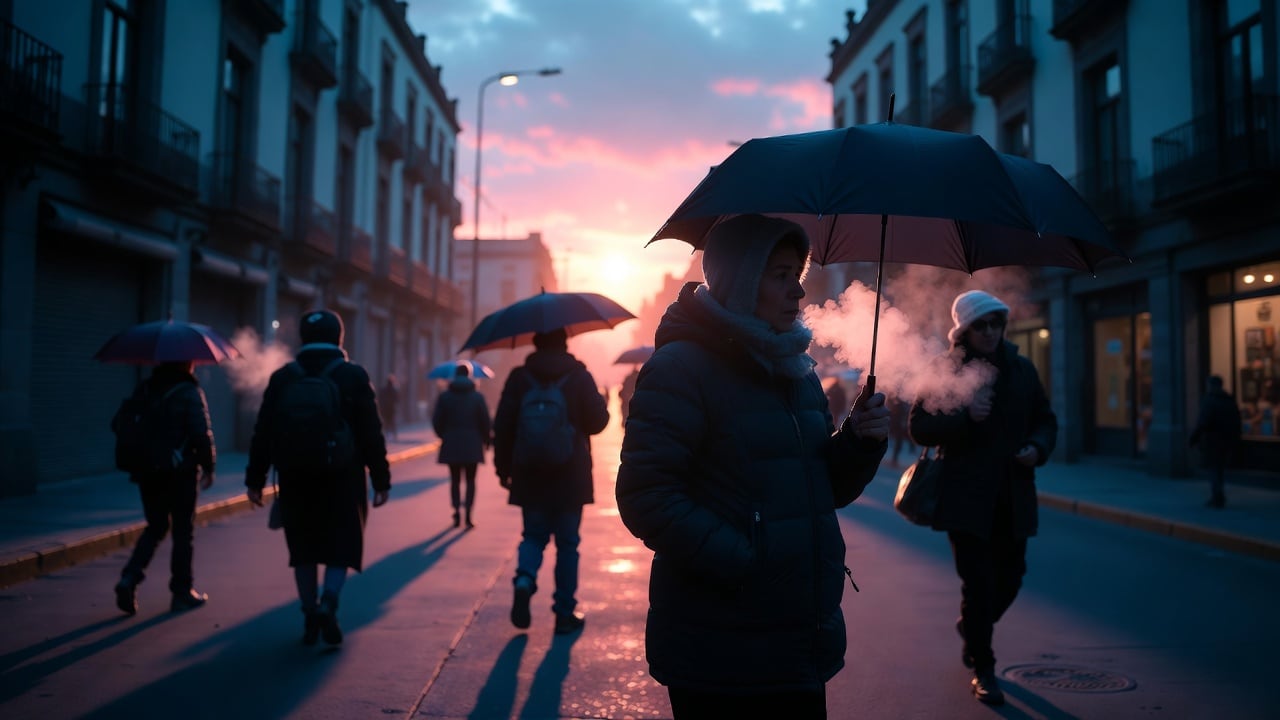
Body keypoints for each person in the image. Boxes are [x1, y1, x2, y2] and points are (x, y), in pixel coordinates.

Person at [615, 214, 891, 719]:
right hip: (719, 647)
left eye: (798, 275)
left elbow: (819, 489)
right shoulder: (681, 368)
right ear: (742, 283)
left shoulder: (797, 369)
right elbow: (646, 496)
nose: (799, 292)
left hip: (797, 640)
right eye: (780, 275)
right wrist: (745, 558)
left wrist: (859, 440)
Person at [908, 289, 1058, 706]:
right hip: (966, 497)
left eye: (996, 323)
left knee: (1012, 577)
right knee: (978, 584)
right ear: (965, 330)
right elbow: (918, 427)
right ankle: (984, 666)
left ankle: (973, 629)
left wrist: (1037, 448)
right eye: (981, 325)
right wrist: (964, 418)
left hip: (1013, 494)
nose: (990, 331)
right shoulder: (946, 369)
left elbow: (1046, 420)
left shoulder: (1022, 369)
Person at [244, 309, 391, 646]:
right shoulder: (353, 375)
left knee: (304, 549)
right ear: (339, 338)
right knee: (341, 546)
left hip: (294, 476)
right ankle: (330, 602)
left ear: (303, 339)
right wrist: (381, 480)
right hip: (343, 476)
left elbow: (263, 431)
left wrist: (255, 478)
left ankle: (309, 612)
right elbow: (372, 432)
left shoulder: (284, 377)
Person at [493, 328, 609, 635]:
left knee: (533, 536)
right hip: (570, 476)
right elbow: (598, 423)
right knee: (568, 544)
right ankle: (564, 613)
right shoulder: (579, 375)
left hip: (530, 474)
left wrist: (503, 469)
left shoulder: (519, 378)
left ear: (535, 342)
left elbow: (502, 427)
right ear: (565, 340)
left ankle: (524, 579)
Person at [113, 360, 217, 615]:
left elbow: (118, 424)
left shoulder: (146, 388)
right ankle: (182, 593)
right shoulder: (189, 391)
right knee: (183, 531)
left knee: (156, 526)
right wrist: (209, 466)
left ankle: (130, 577)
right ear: (187, 365)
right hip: (180, 473)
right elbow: (201, 432)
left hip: (148, 470)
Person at [432, 363, 492, 528]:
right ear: (469, 375)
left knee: (455, 479)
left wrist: (444, 435)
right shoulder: (477, 397)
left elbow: (437, 421)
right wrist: (486, 440)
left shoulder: (445, 397)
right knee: (471, 480)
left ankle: (457, 511)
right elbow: (485, 422)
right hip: (472, 443)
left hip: (452, 442)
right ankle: (469, 515)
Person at [1189, 374, 1243, 508]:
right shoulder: (1229, 400)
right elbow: (1237, 420)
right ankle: (1218, 494)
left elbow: (1203, 422)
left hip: (1213, 440)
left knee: (1214, 469)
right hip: (1226, 440)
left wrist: (1194, 438)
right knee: (1219, 468)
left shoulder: (1210, 400)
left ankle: (1217, 495)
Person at [381, 374, 401, 441]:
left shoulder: (384, 389)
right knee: (392, 422)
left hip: (385, 409)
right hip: (391, 408)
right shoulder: (393, 390)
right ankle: (394, 435)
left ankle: (386, 434)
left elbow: (381, 398)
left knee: (386, 421)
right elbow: (397, 399)